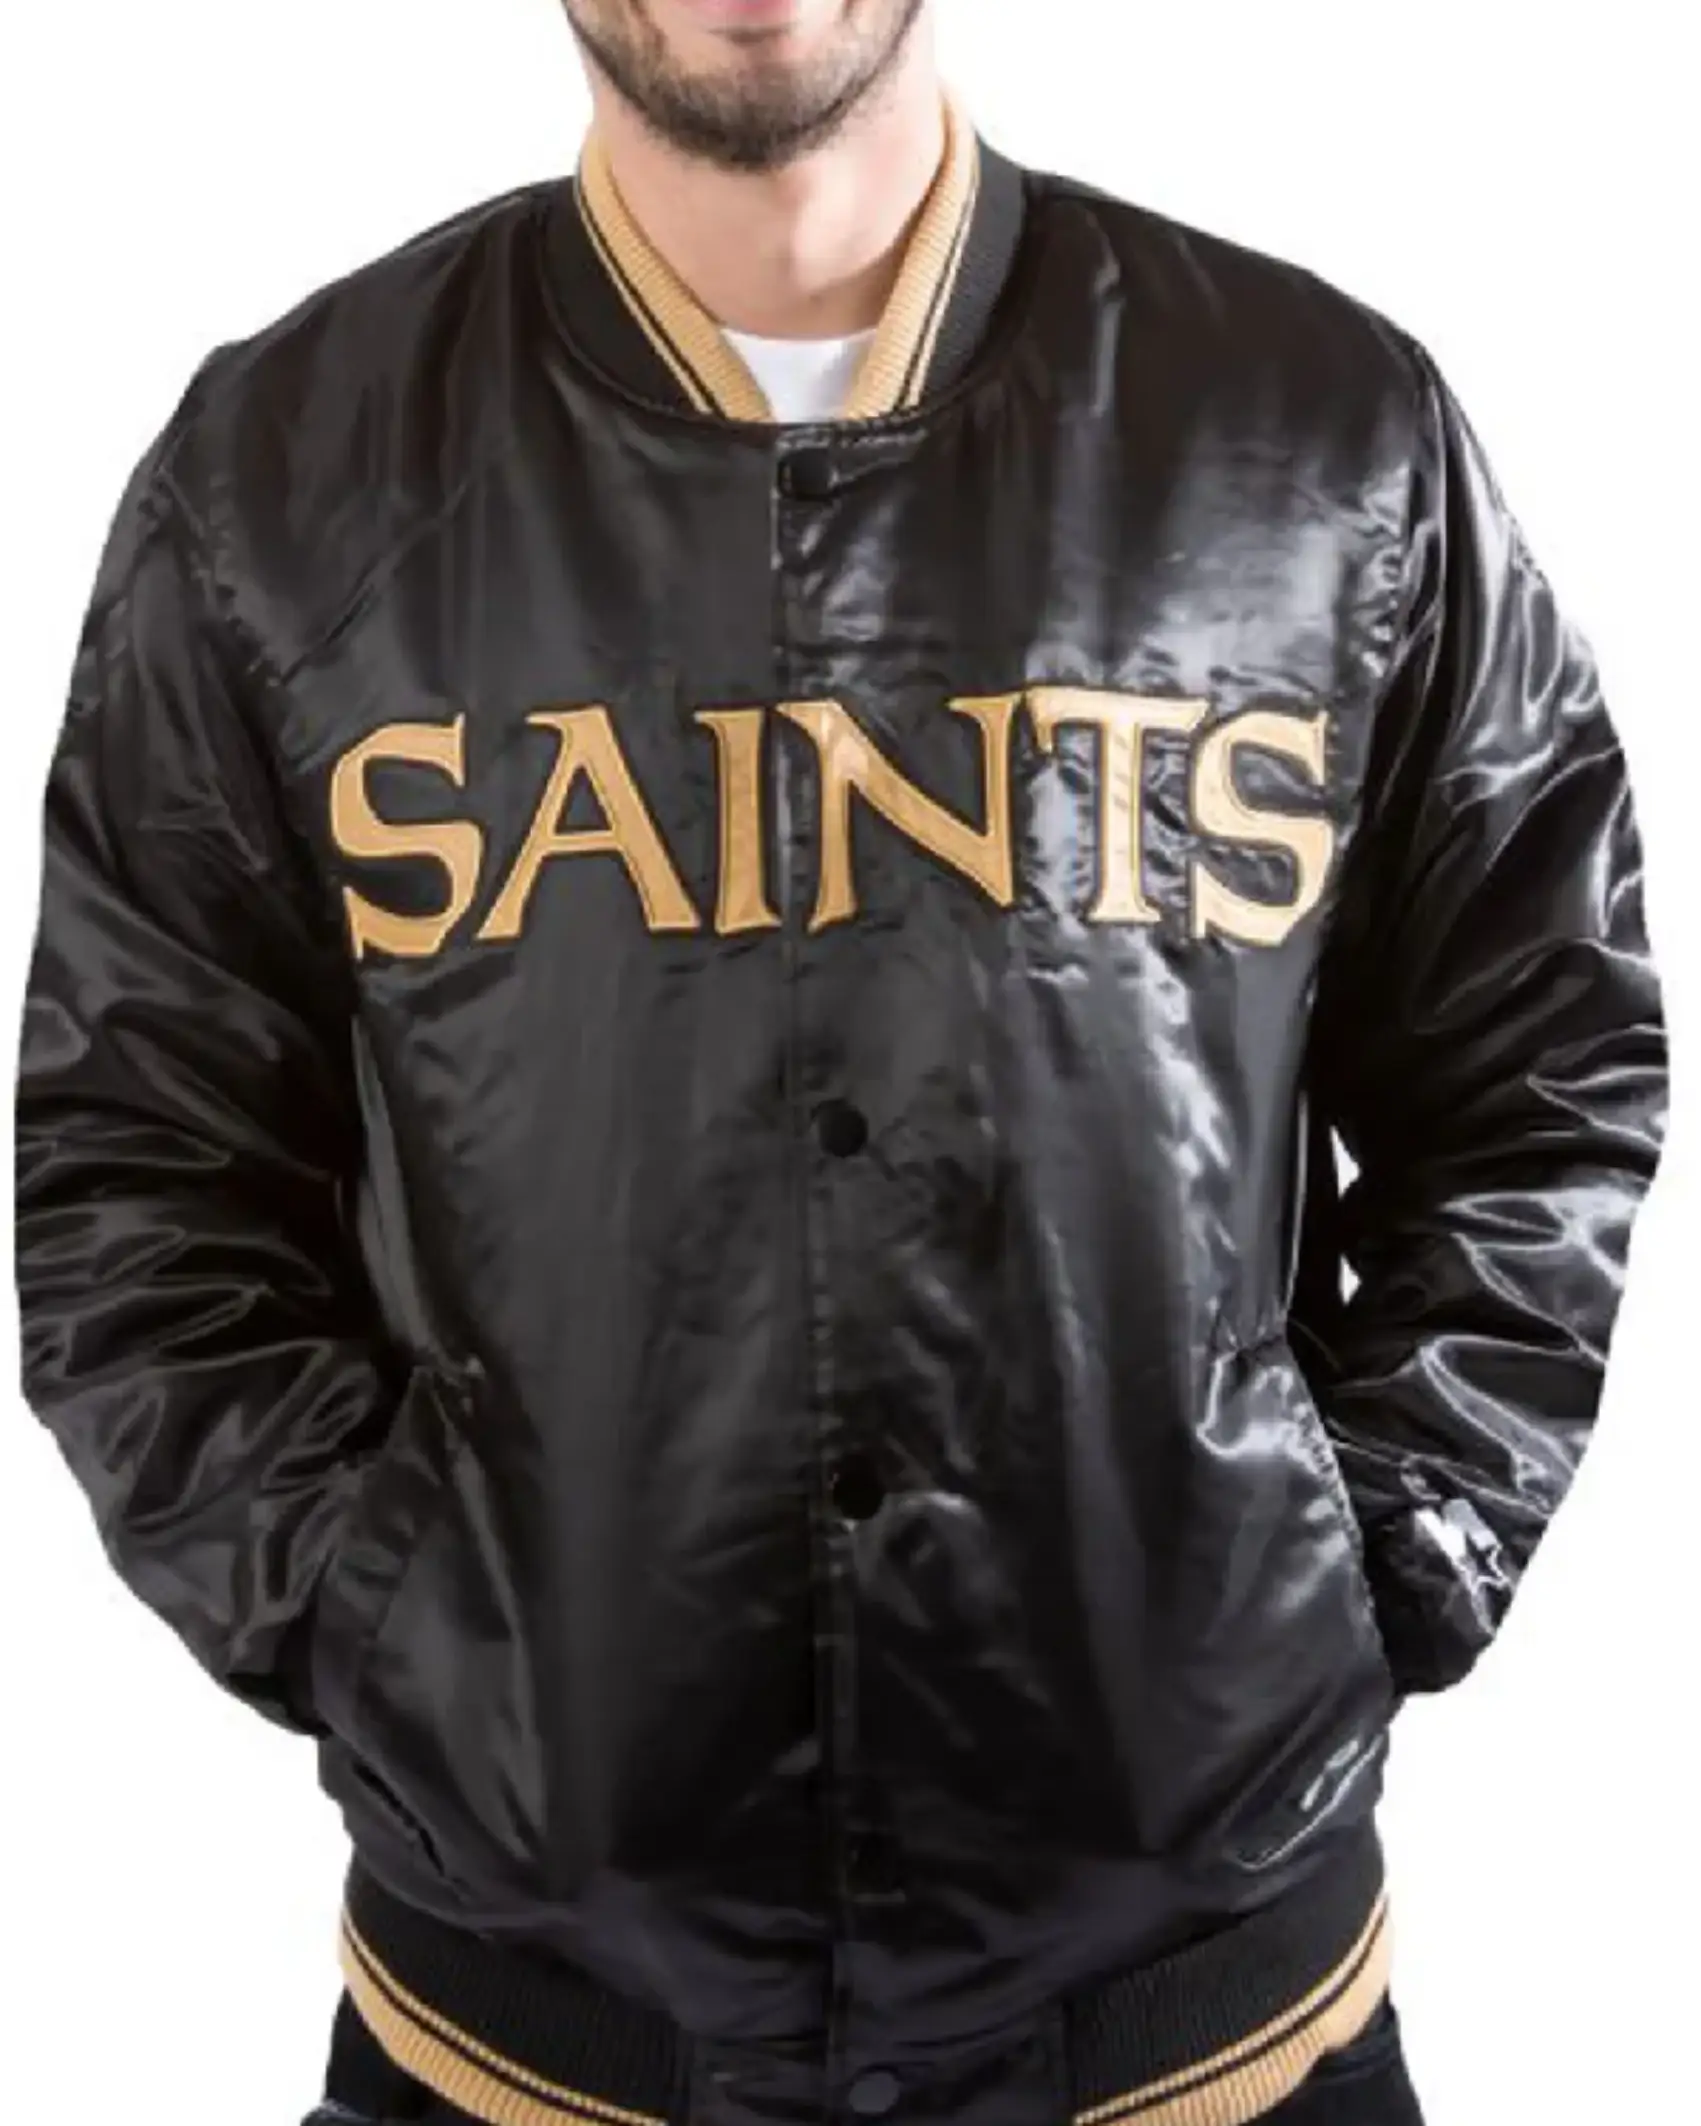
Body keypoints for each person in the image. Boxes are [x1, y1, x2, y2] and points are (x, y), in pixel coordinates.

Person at [12, 3, 1668, 2124]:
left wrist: (1386, 1549)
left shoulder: (1315, 431)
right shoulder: (282, 475)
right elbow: (139, 1160)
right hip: (524, 2037)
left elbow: (1538, 1055)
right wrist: (372, 1614)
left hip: (1208, 2024)